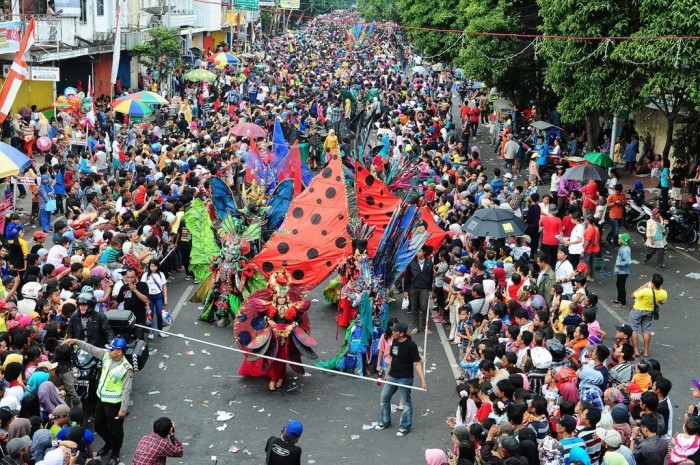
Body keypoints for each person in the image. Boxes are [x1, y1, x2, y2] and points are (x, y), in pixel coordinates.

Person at [62, 337, 133, 465]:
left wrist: (124, 408)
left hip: (115, 404)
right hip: (102, 399)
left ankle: (115, 454)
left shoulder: (126, 368)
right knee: (99, 425)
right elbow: (91, 349)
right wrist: (77, 342)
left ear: (119, 351)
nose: (108, 350)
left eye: (112, 349)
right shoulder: (106, 355)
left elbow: (127, 389)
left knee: (115, 430)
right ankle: (109, 444)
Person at [375, 321, 427, 437]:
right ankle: (385, 421)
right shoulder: (394, 341)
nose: (392, 332)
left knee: (406, 403)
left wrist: (423, 381)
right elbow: (393, 360)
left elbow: (417, 364)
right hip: (392, 376)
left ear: (402, 333)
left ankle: (404, 427)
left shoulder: (411, 345)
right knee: (384, 398)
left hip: (405, 378)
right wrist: (387, 374)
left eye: (395, 331)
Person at [629, 274, 666, 357]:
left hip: (637, 310)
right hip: (649, 311)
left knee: (634, 329)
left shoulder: (645, 290)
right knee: (646, 330)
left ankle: (636, 350)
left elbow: (632, 295)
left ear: (652, 283)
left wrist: (643, 286)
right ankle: (645, 351)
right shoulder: (663, 293)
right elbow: (662, 302)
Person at [403, 248, 434, 335]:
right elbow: (407, 277)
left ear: (424, 252)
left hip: (424, 288)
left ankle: (424, 327)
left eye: (420, 251)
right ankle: (415, 327)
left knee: (424, 308)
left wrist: (430, 289)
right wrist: (405, 290)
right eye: (417, 251)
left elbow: (431, 277)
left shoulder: (429, 263)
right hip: (413, 288)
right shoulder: (411, 263)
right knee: (414, 308)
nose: (418, 253)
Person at [140, 259, 168, 339]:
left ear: (158, 266)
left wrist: (165, 298)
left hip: (159, 296)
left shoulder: (161, 274)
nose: (153, 268)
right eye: (151, 266)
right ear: (149, 266)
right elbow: (142, 286)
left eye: (155, 266)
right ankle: (151, 331)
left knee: (159, 313)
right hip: (149, 297)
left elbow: (164, 286)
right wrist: (145, 300)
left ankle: (161, 330)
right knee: (150, 314)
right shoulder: (145, 275)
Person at [611, 233, 631, 308]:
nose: (618, 240)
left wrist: (619, 264)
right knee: (619, 285)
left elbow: (628, 261)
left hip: (623, 271)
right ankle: (619, 299)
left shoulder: (625, 250)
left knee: (621, 286)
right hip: (621, 271)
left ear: (622, 241)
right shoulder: (623, 248)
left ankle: (623, 303)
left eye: (620, 239)